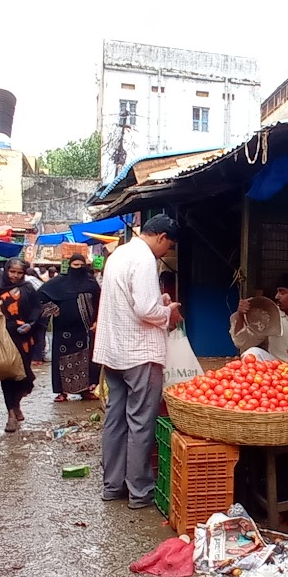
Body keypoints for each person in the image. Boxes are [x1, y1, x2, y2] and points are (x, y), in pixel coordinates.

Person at [94, 215, 183, 509]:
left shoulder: (119, 254)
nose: (166, 252)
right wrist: (169, 312)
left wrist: (160, 302)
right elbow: (146, 309)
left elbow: (132, 302)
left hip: (114, 351)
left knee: (115, 420)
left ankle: (112, 485)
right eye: (168, 245)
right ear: (161, 237)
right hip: (139, 352)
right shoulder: (145, 258)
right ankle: (139, 491)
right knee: (140, 423)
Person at [0, 257, 44, 432]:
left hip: (25, 339)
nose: (15, 276)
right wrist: (7, 324)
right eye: (12, 272)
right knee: (8, 375)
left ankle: (17, 403)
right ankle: (11, 414)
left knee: (24, 376)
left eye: (19, 273)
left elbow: (37, 309)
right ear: (6, 271)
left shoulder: (28, 288)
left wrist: (31, 324)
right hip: (5, 338)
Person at [39, 253, 103, 402]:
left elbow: (99, 302)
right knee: (62, 360)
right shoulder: (58, 282)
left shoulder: (91, 282)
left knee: (86, 360)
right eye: (75, 265)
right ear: (69, 266)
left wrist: (96, 320)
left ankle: (85, 390)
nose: (78, 268)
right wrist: (54, 310)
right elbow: (40, 297)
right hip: (64, 330)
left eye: (81, 265)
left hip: (85, 329)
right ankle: (62, 392)